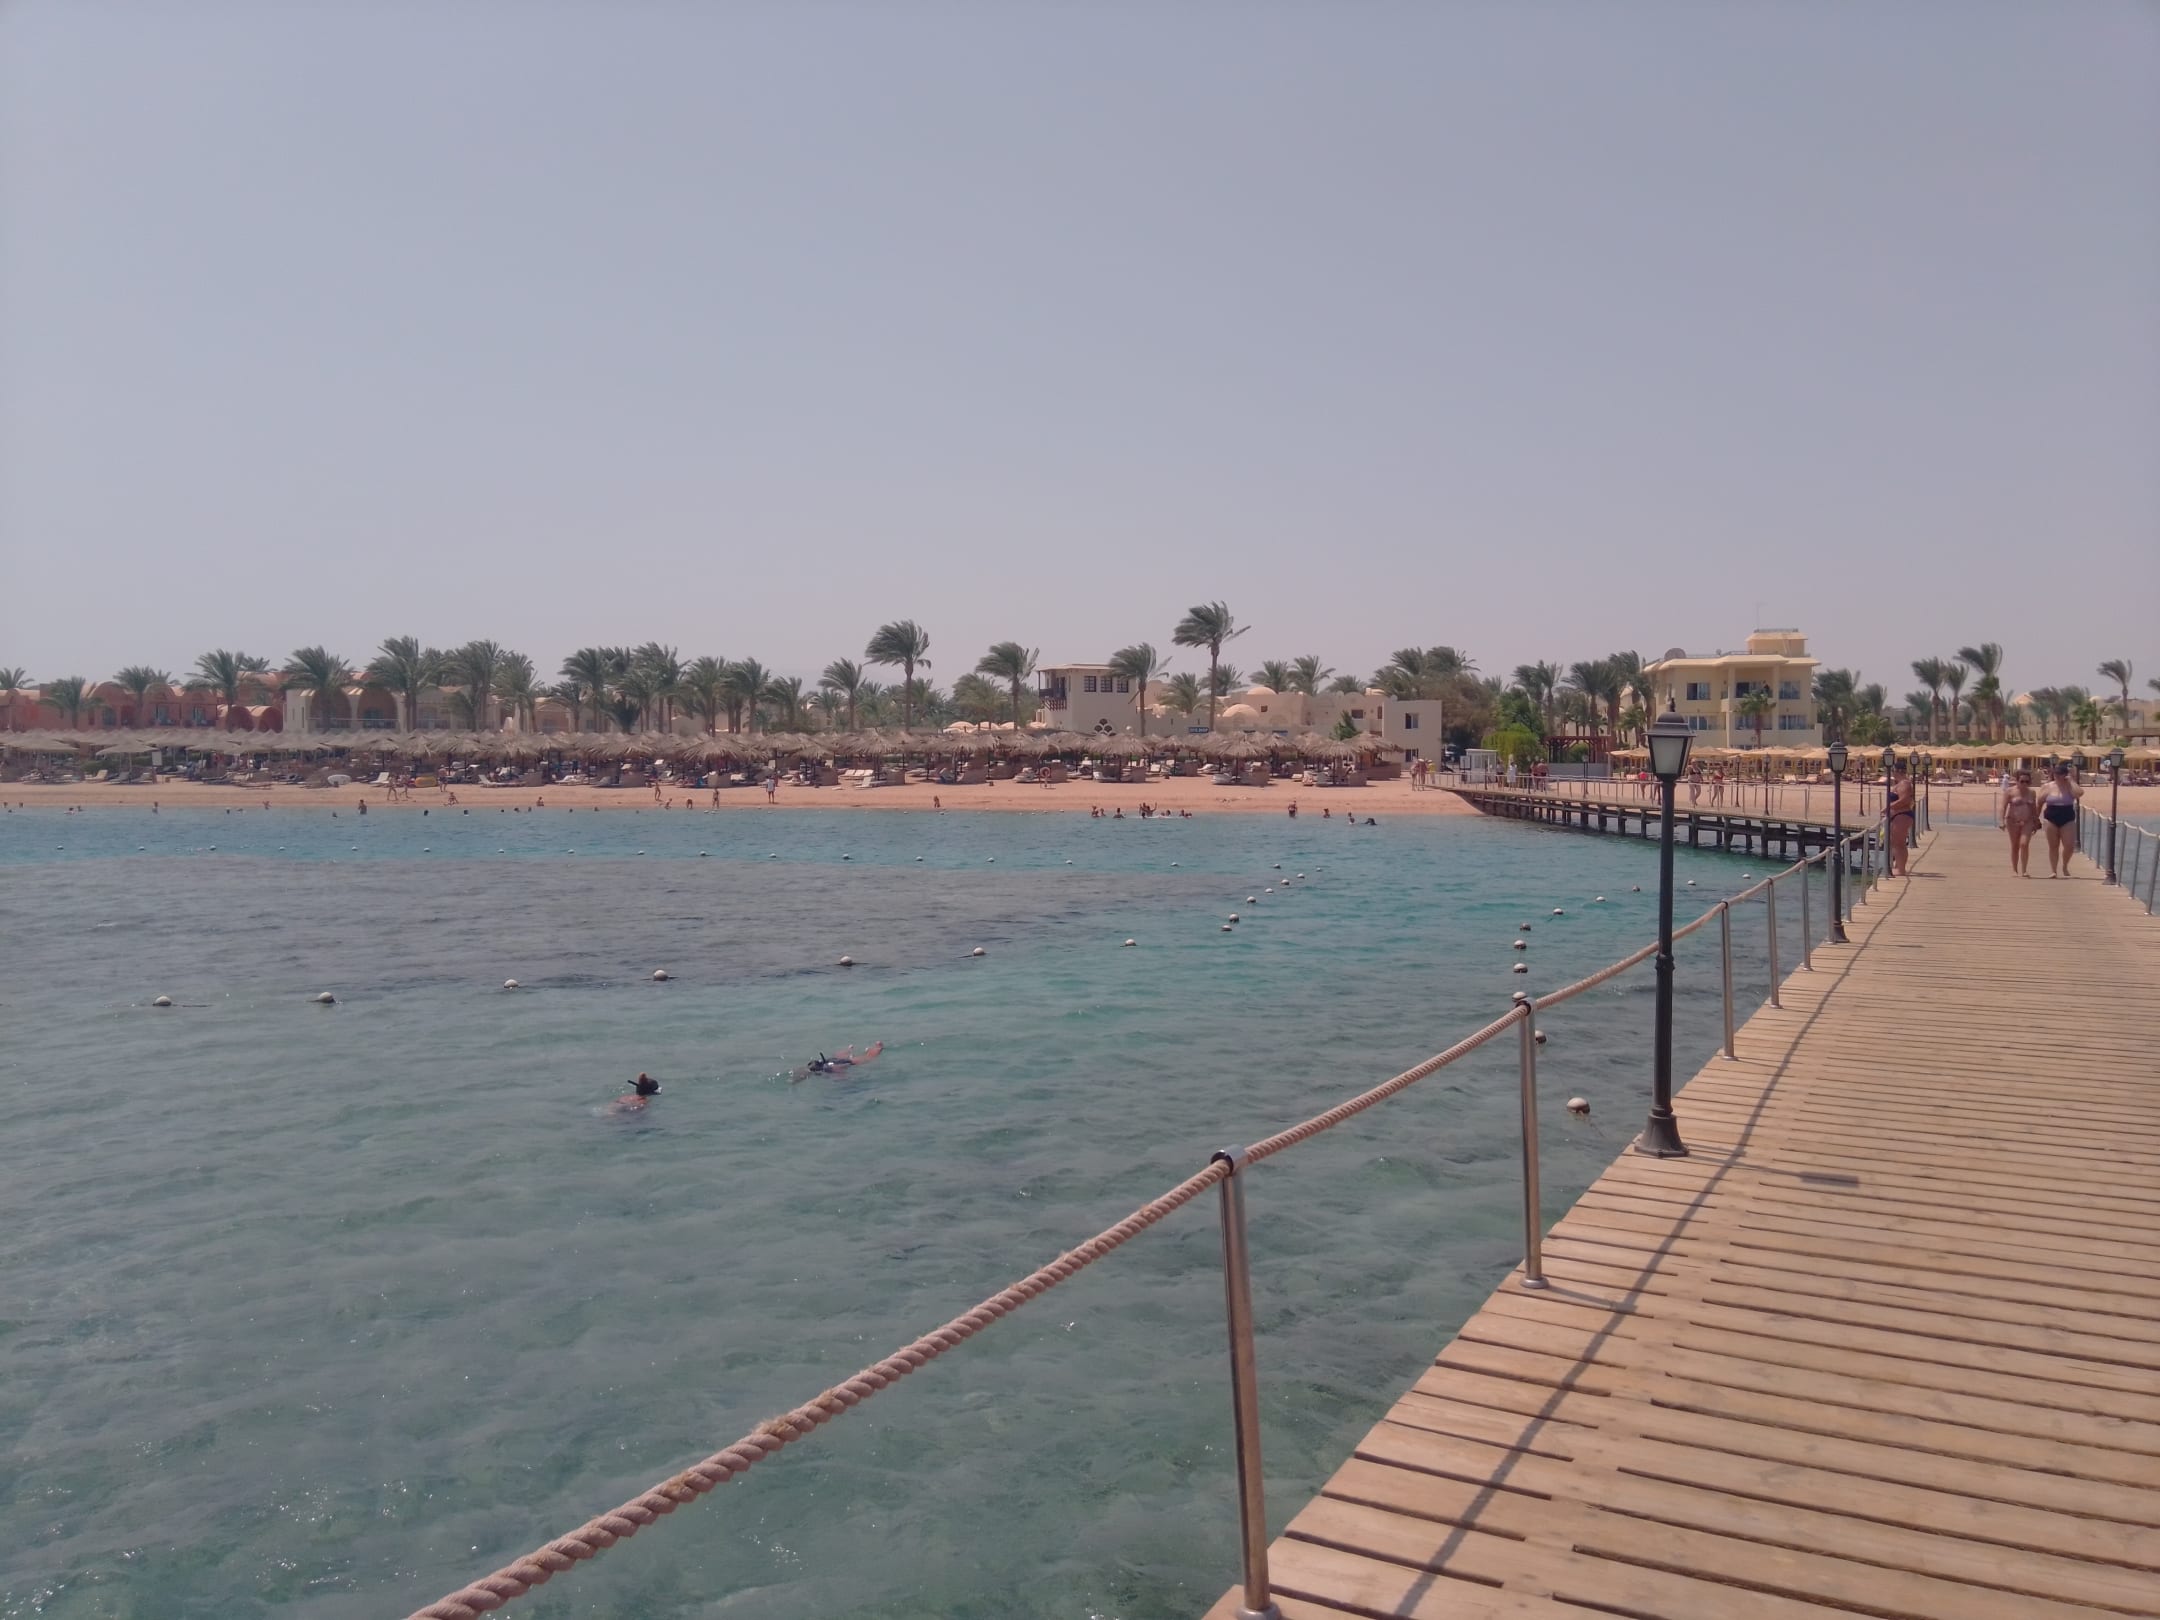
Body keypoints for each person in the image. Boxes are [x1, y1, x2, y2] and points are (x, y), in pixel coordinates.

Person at [2040, 763, 2082, 876]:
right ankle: (2053, 870)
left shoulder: (2070, 786)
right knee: (2053, 846)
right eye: (2056, 774)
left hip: (2067, 816)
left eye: (2060, 774)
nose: (2057, 776)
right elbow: (2039, 802)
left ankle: (2065, 866)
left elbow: (2079, 793)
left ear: (2065, 775)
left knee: (2069, 846)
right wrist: (2036, 817)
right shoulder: (2047, 786)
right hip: (2051, 816)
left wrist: (2071, 780)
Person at [2003, 769, 2039, 875]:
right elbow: (2003, 806)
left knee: (2024, 844)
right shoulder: (2009, 791)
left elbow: (2034, 808)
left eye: (2027, 782)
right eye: (2022, 781)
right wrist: (2001, 820)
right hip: (2012, 821)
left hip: (2027, 821)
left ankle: (2024, 870)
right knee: (2015, 845)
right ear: (2017, 781)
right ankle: (2015, 870)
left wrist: (2036, 820)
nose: (2024, 784)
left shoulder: (2032, 792)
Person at [1885, 766, 1916, 876]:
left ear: (1897, 771)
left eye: (1892, 771)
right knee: (1896, 842)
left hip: (1902, 816)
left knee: (1899, 843)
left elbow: (1905, 800)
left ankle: (1901, 869)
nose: (1891, 773)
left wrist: (1888, 807)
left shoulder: (1904, 784)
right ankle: (1898, 866)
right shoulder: (1899, 783)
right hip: (1897, 815)